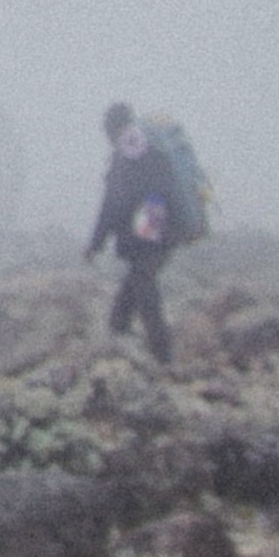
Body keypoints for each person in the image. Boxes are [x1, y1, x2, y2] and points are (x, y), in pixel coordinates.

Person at [86, 101, 176, 367]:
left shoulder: (129, 150)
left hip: (146, 239)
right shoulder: (146, 147)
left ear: (113, 128)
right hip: (158, 235)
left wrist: (96, 243)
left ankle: (164, 359)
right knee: (130, 295)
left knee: (146, 297)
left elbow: (114, 202)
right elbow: (158, 190)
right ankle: (118, 341)